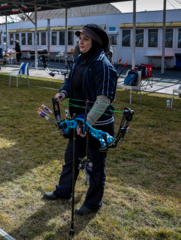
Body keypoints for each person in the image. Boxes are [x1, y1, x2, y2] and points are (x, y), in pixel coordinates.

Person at [43, 24, 117, 216]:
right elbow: (70, 81)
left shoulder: (103, 65)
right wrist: (63, 92)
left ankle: (93, 203)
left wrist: (88, 122)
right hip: (78, 122)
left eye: (85, 39)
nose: (80, 42)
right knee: (71, 159)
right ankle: (64, 191)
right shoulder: (79, 60)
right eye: (80, 39)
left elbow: (103, 100)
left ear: (96, 43)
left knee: (94, 166)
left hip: (97, 126)